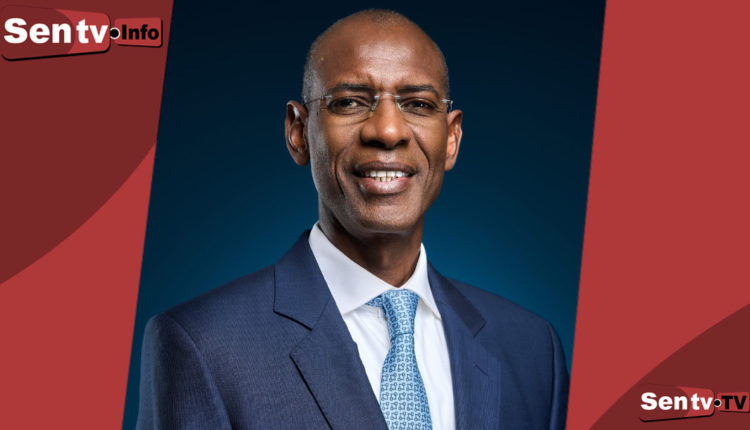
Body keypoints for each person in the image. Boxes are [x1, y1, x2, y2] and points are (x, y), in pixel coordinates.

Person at [137, 9, 568, 430]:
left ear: (451, 138)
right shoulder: (203, 344)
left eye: (418, 104)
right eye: (349, 102)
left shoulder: (532, 350)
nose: (387, 131)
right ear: (298, 131)